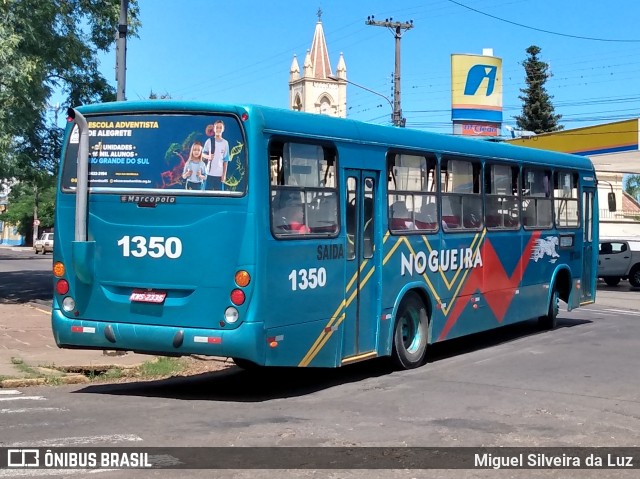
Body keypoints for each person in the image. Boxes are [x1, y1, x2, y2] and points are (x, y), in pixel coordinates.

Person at [203, 120, 230, 190]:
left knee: (220, 196)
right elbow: (202, 154)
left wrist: (224, 175)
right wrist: (208, 157)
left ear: (223, 129)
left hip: (219, 175)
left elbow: (225, 160)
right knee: (206, 195)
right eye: (217, 127)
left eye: (220, 127)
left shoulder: (225, 143)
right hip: (209, 174)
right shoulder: (209, 141)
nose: (218, 129)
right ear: (214, 129)